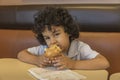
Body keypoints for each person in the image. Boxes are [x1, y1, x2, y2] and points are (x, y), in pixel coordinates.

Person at [17, 6, 110, 70]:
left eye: (57, 34)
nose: (52, 41)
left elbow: (104, 62)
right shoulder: (44, 49)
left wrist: (73, 64)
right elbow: (21, 54)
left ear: (68, 31)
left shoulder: (79, 47)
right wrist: (37, 60)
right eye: (47, 38)